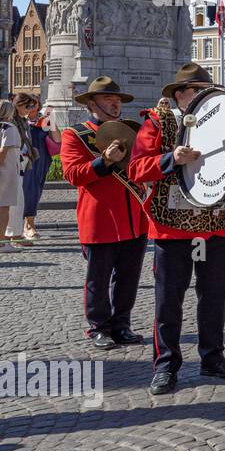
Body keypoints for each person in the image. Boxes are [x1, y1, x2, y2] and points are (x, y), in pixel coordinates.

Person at [128, 63, 225, 394]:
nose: (205, 99)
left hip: (217, 224)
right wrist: (171, 159)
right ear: (180, 95)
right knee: (169, 301)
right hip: (173, 227)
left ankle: (213, 357)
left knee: (215, 296)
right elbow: (137, 168)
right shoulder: (156, 122)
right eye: (197, 92)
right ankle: (166, 365)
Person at [60, 77, 148, 349]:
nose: (116, 103)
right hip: (100, 219)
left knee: (128, 278)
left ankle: (122, 325)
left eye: (118, 99)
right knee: (98, 279)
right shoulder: (75, 135)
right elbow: (74, 175)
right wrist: (104, 161)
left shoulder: (132, 132)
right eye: (109, 98)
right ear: (91, 103)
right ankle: (99, 327)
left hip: (135, 218)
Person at [17, 95, 53, 240]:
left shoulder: (43, 121)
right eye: (29, 105)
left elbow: (57, 140)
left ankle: (29, 225)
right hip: (21, 160)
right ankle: (18, 226)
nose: (32, 107)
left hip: (39, 160)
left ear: (38, 106)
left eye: (34, 104)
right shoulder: (18, 121)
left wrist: (52, 122)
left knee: (34, 191)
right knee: (20, 192)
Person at [0, 100, 22, 253]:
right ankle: (1, 242)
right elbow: (3, 152)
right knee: (4, 207)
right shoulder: (9, 128)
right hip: (6, 171)